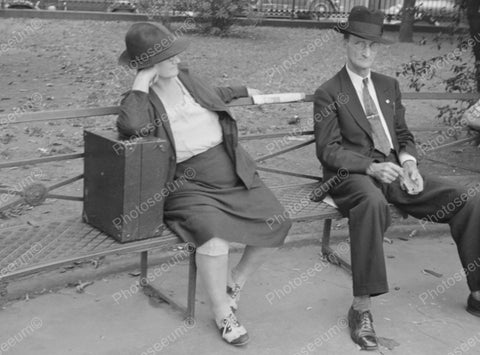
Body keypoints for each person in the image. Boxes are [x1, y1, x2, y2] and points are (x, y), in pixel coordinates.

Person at [313, 6, 480, 351]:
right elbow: (328, 152)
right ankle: (361, 308)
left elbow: (403, 135)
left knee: (465, 198)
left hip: (394, 172)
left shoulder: (389, 85)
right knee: (372, 203)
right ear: (346, 43)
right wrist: (370, 168)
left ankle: (478, 291)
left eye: (373, 46)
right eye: (359, 43)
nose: (366, 52)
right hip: (352, 174)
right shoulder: (329, 92)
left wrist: (409, 163)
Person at [116, 22, 292, 346]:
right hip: (186, 183)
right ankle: (223, 314)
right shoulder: (142, 100)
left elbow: (214, 96)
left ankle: (234, 282)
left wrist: (244, 91)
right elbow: (130, 125)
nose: (176, 59)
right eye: (167, 55)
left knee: (279, 220)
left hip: (229, 169)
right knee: (213, 237)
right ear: (148, 62)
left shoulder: (185, 79)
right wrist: (141, 80)